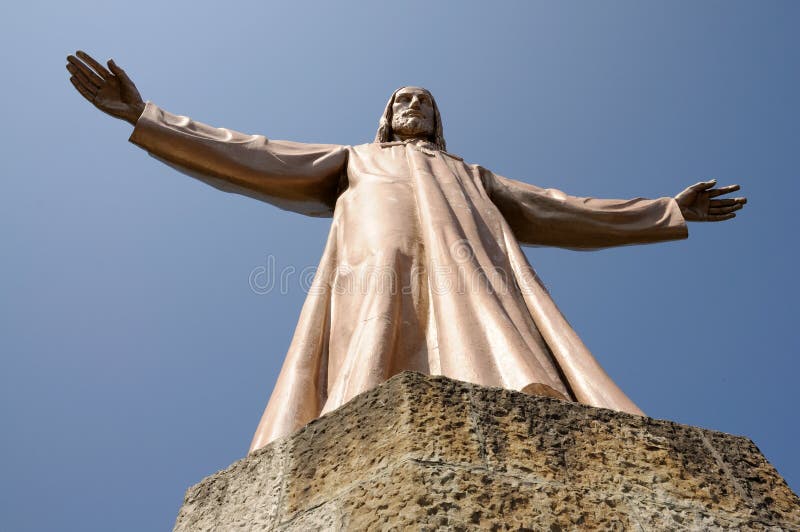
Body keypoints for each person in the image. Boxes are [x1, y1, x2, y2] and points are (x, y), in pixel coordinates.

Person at [66, 51, 747, 452]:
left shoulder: (471, 175)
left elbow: (563, 207)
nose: (413, 104)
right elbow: (255, 153)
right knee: (373, 333)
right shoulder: (355, 159)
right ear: (387, 117)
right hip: (375, 267)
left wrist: (667, 208)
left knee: (489, 332)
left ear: (437, 119)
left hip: (472, 271)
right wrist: (147, 116)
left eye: (424, 100)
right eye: (402, 100)